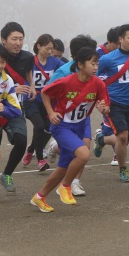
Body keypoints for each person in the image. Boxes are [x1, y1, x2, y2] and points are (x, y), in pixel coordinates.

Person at [30, 48, 110, 212]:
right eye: (92, 63)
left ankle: (39, 197)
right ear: (80, 64)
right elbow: (45, 92)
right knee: (84, 154)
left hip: (80, 126)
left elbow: (105, 107)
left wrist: (104, 108)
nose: (96, 67)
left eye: (97, 64)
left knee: (62, 169)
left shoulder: (98, 83)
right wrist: (51, 113)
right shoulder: (66, 82)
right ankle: (65, 187)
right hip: (62, 126)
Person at [95, 24, 129, 182]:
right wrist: (101, 101)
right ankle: (123, 169)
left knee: (125, 140)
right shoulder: (107, 59)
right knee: (123, 137)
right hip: (114, 104)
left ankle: (101, 139)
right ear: (120, 39)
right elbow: (95, 80)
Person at [46, 34, 98, 196]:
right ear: (77, 58)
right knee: (78, 152)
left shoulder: (92, 69)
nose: (94, 64)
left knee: (86, 147)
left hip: (83, 116)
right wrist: (53, 112)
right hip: (65, 119)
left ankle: (74, 182)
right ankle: (54, 147)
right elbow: (47, 92)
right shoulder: (62, 72)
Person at [0, 22, 34, 193]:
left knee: (21, 140)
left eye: (21, 39)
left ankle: (7, 175)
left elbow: (28, 73)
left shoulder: (28, 57)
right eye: (14, 39)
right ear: (3, 40)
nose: (18, 43)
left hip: (14, 108)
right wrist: (13, 88)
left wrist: (32, 86)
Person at [21, 34, 64, 171]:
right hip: (31, 100)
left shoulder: (55, 62)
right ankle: (40, 159)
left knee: (47, 129)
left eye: (52, 49)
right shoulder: (29, 61)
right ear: (39, 46)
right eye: (47, 48)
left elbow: (68, 68)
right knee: (39, 126)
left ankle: (31, 149)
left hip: (47, 102)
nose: (50, 52)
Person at [0, 46, 23, 192]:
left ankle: (7, 175)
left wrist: (4, 109)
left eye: (3, 62)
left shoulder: (7, 81)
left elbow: (16, 109)